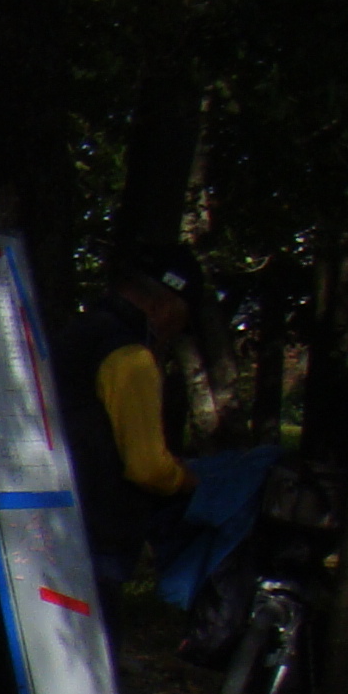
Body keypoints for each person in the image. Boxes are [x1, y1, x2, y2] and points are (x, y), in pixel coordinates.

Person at [51, 243, 217, 607]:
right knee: (91, 655)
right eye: (181, 321)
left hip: (51, 521)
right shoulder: (130, 357)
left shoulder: (76, 334)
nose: (176, 333)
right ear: (163, 307)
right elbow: (147, 467)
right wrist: (191, 480)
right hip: (95, 534)